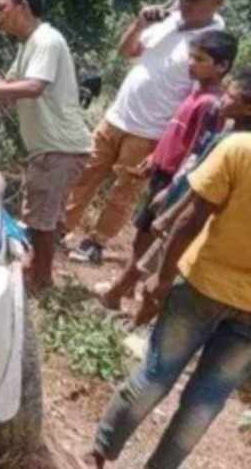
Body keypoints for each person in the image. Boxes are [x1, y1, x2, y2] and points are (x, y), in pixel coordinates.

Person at [84, 129, 251, 469]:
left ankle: (99, 453)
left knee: (156, 375)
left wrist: (160, 280)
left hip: (200, 285)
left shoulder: (239, 149)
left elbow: (191, 220)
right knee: (205, 402)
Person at [66, 0, 227, 265]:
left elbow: (196, 100)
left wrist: (166, 145)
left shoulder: (211, 44)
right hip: (117, 116)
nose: (186, 2)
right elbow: (128, 50)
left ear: (218, 3)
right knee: (84, 174)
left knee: (123, 191)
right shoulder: (168, 21)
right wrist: (140, 23)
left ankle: (96, 243)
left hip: (150, 131)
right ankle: (60, 229)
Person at [98, 30, 238, 310]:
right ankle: (127, 288)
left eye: (200, 59)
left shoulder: (211, 104)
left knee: (151, 240)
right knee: (142, 236)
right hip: (163, 175)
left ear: (221, 66)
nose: (191, 63)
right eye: (191, 56)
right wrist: (154, 158)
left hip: (175, 183)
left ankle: (117, 292)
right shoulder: (195, 94)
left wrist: (174, 187)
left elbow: (198, 153)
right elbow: (177, 134)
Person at [0, 0, 92, 293]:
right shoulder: (28, 44)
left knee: (39, 220)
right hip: (54, 147)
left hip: (58, 148)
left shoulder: (46, 41)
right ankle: (41, 274)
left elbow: (32, 87)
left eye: (2, 8)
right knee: (46, 217)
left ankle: (39, 281)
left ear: (23, 7)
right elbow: (12, 84)